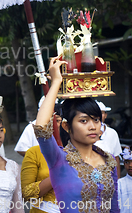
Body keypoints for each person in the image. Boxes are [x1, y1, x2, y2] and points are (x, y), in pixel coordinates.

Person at [34, 57, 119, 213]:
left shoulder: (109, 160)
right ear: (66, 126)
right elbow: (40, 128)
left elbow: (114, 208)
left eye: (96, 120)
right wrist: (56, 83)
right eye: (84, 121)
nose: (93, 126)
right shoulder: (59, 158)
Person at [20, 106, 63, 213]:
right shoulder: (34, 153)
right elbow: (26, 194)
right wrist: (55, 175)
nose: (52, 125)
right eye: (48, 121)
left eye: (57, 121)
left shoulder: (78, 152)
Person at [95, 101, 122, 177]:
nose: (99, 115)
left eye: (102, 113)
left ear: (106, 115)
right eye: (96, 113)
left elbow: (116, 157)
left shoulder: (112, 133)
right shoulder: (86, 132)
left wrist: (118, 179)